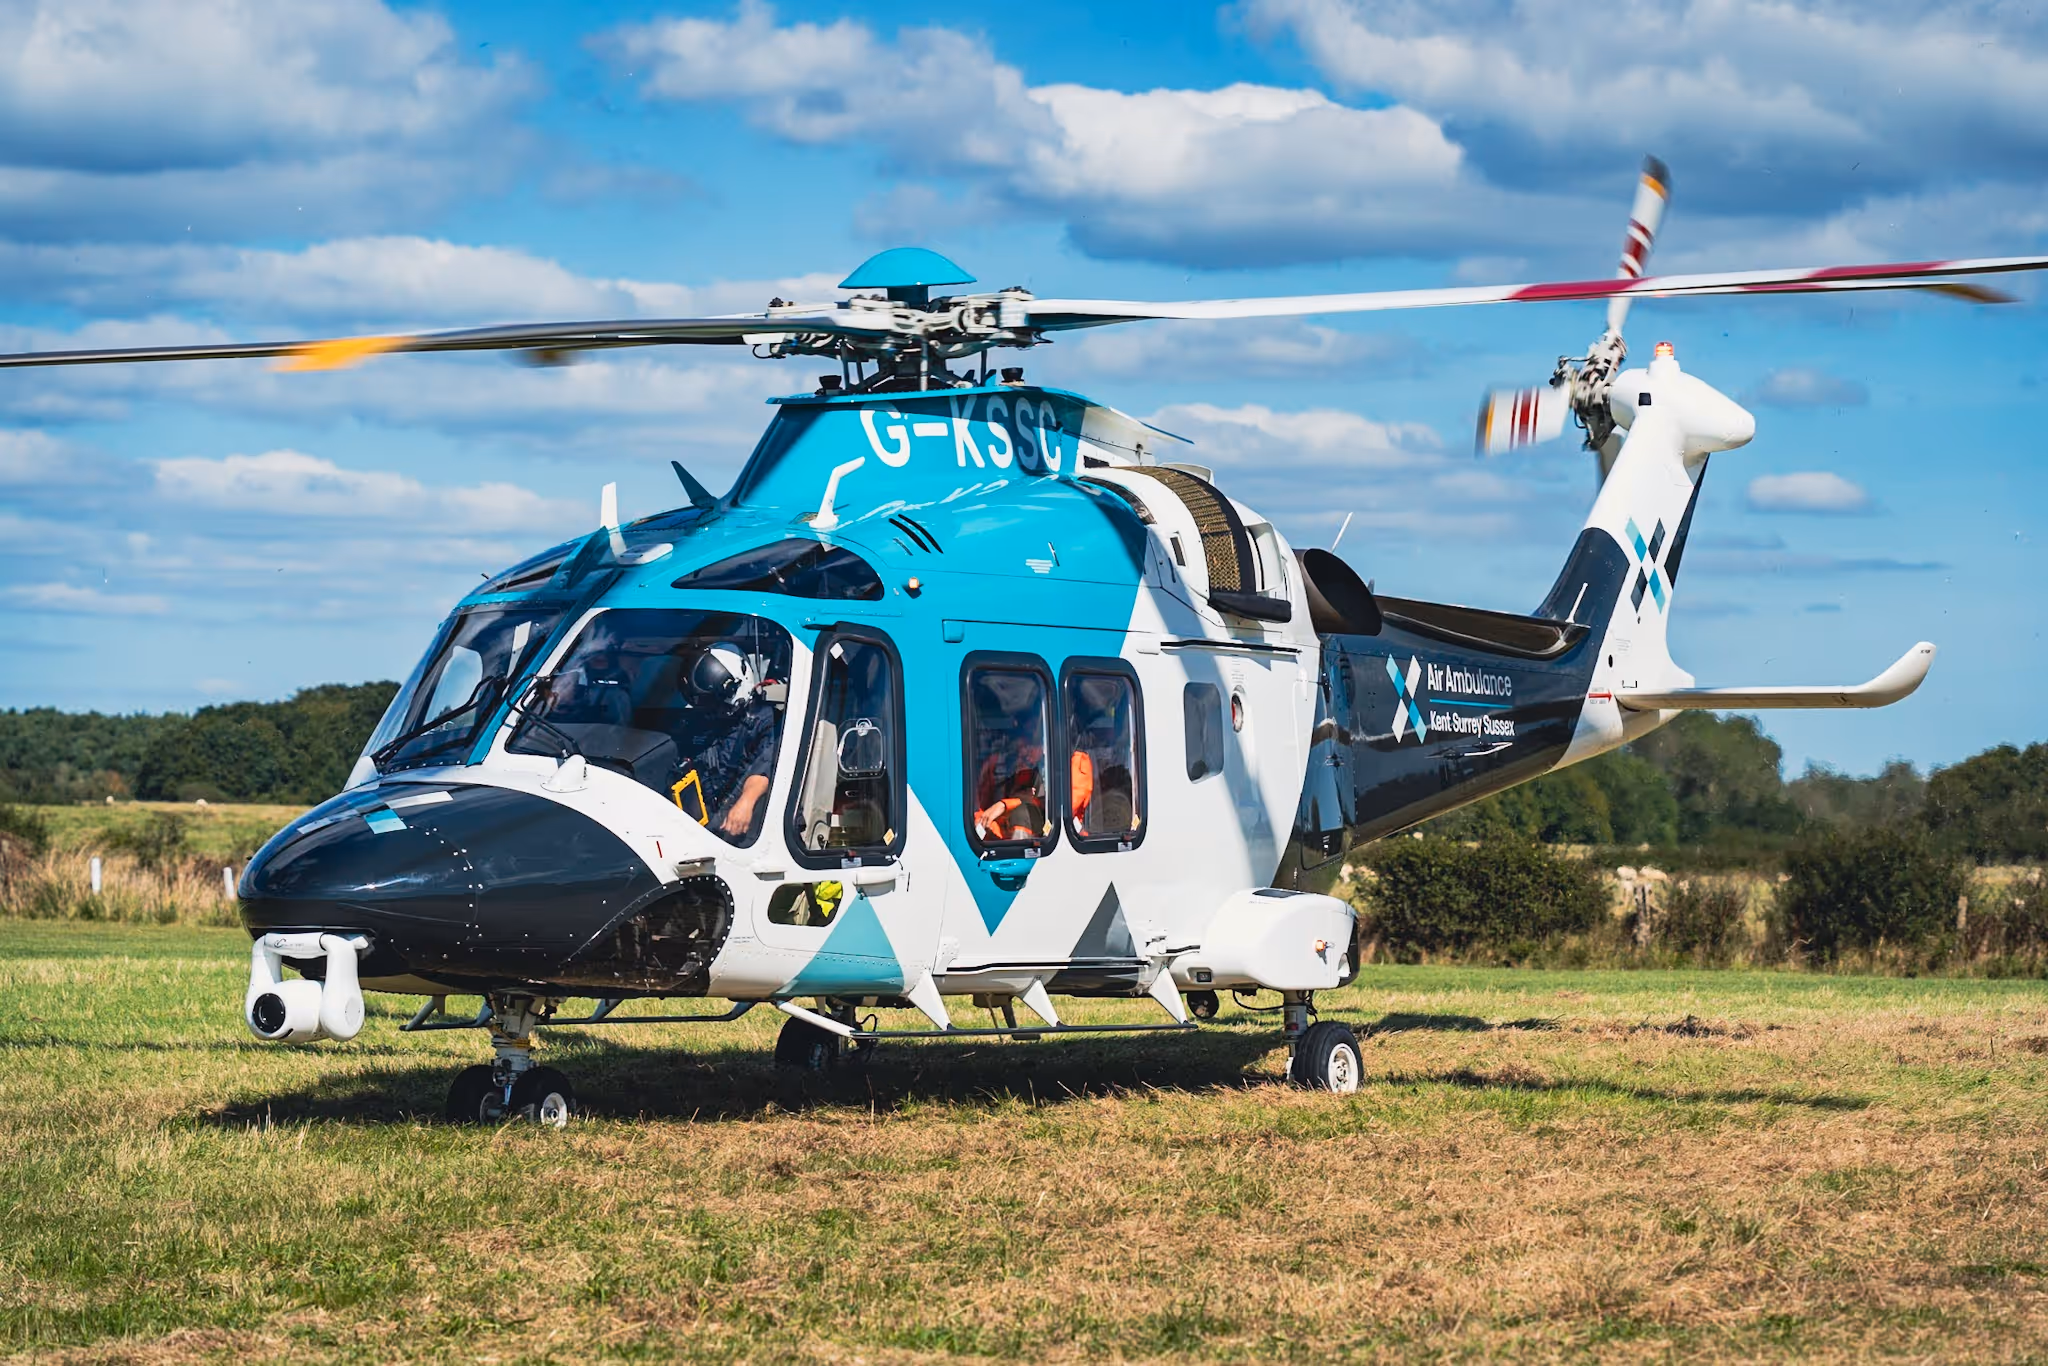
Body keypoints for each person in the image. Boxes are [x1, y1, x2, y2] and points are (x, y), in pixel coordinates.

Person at [676, 643, 780, 838]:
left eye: (713, 702)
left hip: (747, 816)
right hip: (702, 815)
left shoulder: (764, 721)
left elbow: (765, 767)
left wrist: (746, 802)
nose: (710, 709)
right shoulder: (703, 719)